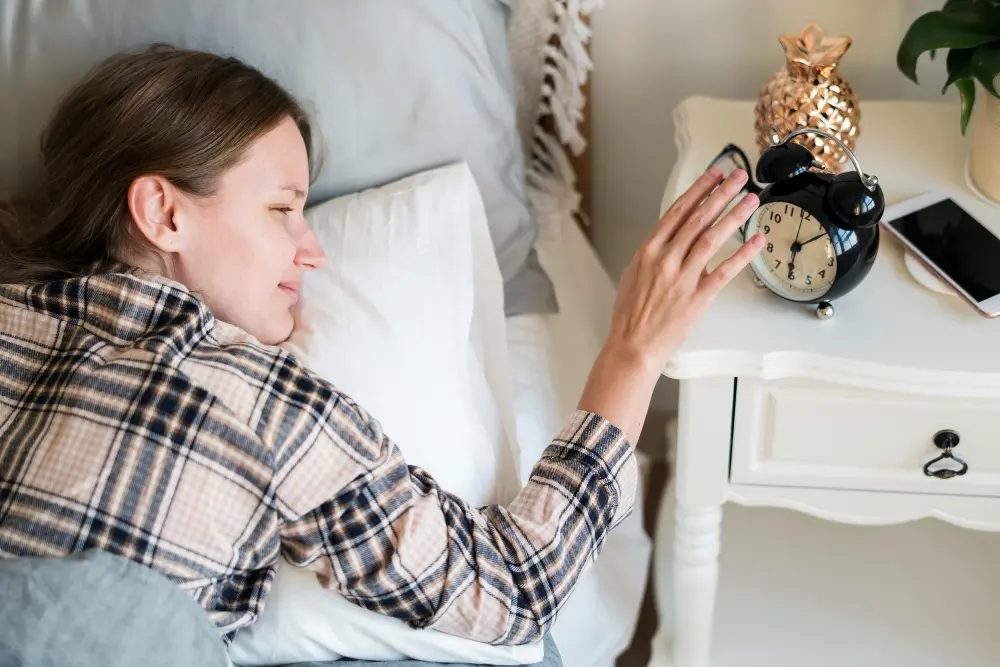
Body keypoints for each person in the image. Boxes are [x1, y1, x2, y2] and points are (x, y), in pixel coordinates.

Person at [0, 45, 763, 646]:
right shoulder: (262, 403)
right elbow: (512, 586)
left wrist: (630, 355)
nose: (313, 250)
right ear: (163, 211)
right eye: (282, 209)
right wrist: (632, 355)